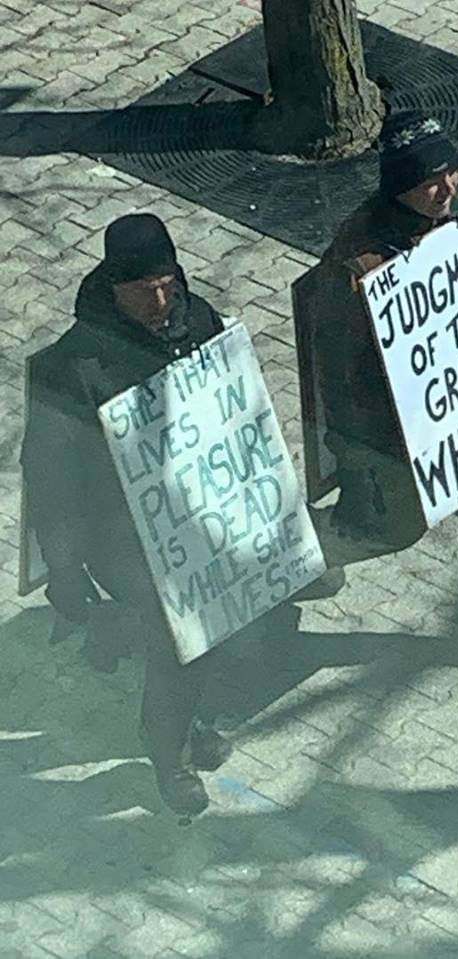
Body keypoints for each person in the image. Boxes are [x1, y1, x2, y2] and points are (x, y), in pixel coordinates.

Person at [20, 213, 338, 815]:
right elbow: (50, 477)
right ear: (113, 288)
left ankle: (187, 716)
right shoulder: (77, 366)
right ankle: (170, 757)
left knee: (225, 626)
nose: (161, 300)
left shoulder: (202, 320)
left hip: (205, 515)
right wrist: (66, 572)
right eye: (143, 290)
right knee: (181, 641)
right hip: (122, 535)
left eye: (168, 283)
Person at [300, 112, 458, 685]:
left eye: (452, 172)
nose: (447, 189)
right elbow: (339, 375)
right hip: (391, 434)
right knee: (390, 529)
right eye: (429, 181)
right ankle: (298, 555)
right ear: (399, 186)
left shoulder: (456, 208)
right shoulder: (358, 264)